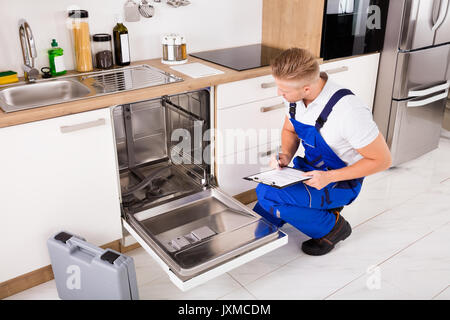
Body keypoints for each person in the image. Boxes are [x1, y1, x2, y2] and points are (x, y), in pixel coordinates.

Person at [253, 48, 392, 256]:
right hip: (307, 172)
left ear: (306, 89)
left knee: (268, 195)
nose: (278, 94)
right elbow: (289, 129)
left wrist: (329, 177)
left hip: (341, 183)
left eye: (283, 90)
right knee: (264, 201)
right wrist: (286, 156)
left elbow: (383, 160)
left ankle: (333, 228)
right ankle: (315, 208)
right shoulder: (294, 96)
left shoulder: (349, 112)